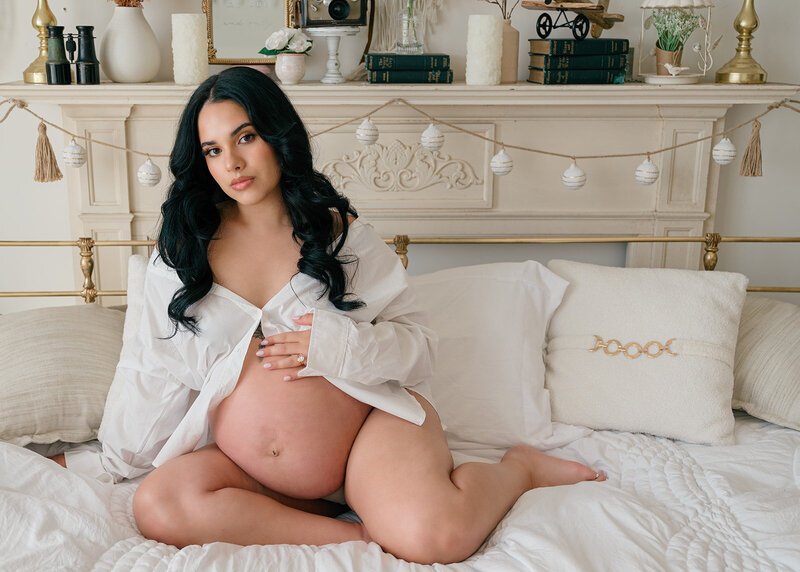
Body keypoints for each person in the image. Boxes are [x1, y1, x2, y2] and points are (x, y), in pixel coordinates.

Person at [55, 67, 605, 565]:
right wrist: (108, 463)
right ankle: (353, 537)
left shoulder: (343, 238)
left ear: (278, 135)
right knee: (159, 506)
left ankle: (518, 469)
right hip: (252, 468)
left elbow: (419, 345)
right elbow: (152, 368)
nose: (233, 163)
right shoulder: (182, 253)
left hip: (367, 434)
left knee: (436, 538)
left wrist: (338, 346)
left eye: (245, 137)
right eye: (213, 150)